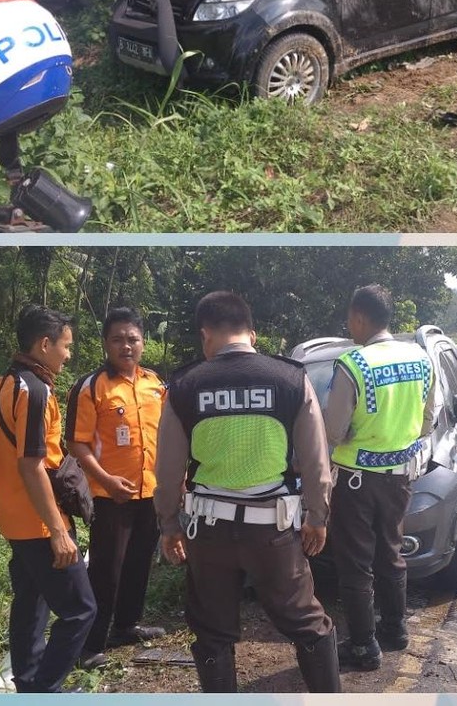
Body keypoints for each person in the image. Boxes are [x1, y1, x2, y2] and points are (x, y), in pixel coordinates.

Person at [154, 291, 341, 693]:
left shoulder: (185, 386)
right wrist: (317, 516)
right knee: (308, 624)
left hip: (208, 532)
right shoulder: (290, 378)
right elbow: (315, 460)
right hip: (272, 531)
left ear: (206, 335)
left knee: (213, 632)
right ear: (251, 334)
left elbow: (168, 470)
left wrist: (169, 524)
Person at [0, 305, 97, 693]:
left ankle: (29, 683)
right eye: (66, 346)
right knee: (81, 610)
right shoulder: (34, 391)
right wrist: (57, 530)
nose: (69, 354)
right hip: (38, 521)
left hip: (14, 517)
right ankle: (46, 690)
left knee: (31, 602)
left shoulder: (3, 383)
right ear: (45, 344)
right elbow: (31, 466)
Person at [324, 284, 434, 672]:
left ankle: (362, 645)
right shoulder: (421, 359)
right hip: (400, 477)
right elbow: (426, 423)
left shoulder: (353, 364)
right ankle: (395, 629)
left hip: (356, 480)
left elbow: (334, 430)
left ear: (359, 317)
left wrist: (350, 433)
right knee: (390, 551)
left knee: (355, 562)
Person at [66, 308, 166, 661]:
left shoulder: (156, 384)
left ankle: (126, 626)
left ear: (143, 342)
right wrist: (106, 479)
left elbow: (170, 438)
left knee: (140, 562)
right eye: (118, 340)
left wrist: (176, 478)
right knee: (107, 570)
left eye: (133, 339)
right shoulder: (92, 386)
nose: (126, 346)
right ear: (106, 344)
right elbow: (76, 444)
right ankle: (90, 644)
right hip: (110, 496)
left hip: (151, 493)